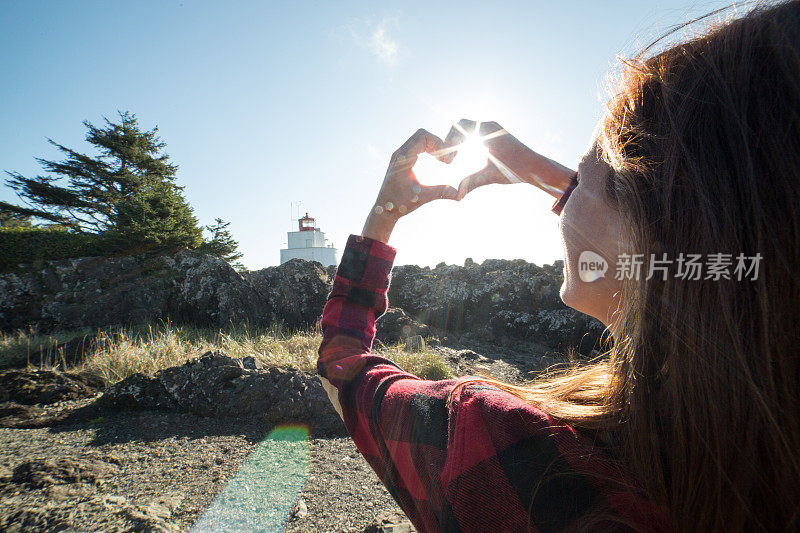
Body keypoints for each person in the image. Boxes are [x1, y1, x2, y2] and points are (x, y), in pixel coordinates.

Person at [317, 1, 800, 530]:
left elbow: (341, 371)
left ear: (662, 226)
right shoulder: (766, 442)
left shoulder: (507, 449)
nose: (572, 185)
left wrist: (382, 217)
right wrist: (533, 169)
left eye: (595, 168)